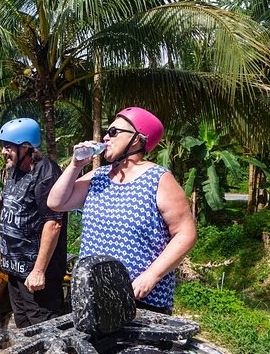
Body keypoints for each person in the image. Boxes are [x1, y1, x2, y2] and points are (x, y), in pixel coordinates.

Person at [47, 107, 197, 315]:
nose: (106, 138)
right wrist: (75, 165)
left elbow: (186, 233)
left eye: (113, 132)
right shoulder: (98, 176)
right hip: (90, 293)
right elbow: (56, 202)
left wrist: (151, 275)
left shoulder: (158, 179)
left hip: (139, 298)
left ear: (137, 138)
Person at [0, 118, 67, 354]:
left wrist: (40, 269)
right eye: (3, 146)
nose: (4, 151)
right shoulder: (14, 170)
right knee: (25, 330)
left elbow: (53, 222)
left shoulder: (46, 172)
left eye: (9, 147)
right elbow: (18, 208)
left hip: (35, 271)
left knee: (47, 333)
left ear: (27, 147)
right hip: (14, 267)